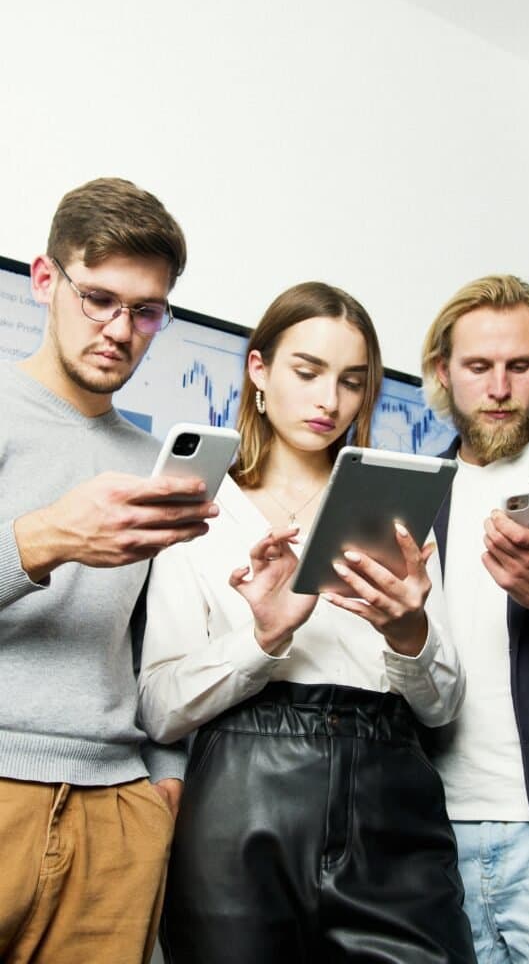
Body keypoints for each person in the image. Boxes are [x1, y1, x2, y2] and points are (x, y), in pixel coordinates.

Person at [139, 281, 477, 963]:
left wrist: (408, 631)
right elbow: (159, 707)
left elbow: (441, 708)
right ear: (259, 370)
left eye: (353, 381)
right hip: (241, 804)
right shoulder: (198, 514)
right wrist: (263, 638)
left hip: (392, 801)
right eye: (308, 372)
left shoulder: (390, 507)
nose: (330, 401)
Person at [0, 177, 218, 964]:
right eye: (99, 298)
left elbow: (143, 640)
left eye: (147, 310)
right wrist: (47, 538)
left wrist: (162, 775)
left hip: (118, 810)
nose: (120, 330)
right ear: (46, 278)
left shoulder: (149, 460)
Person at [420, 274, 529, 963]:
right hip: (429, 838)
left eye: (520, 365)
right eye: (478, 366)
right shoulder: (408, 491)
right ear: (442, 372)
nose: (500, 387)